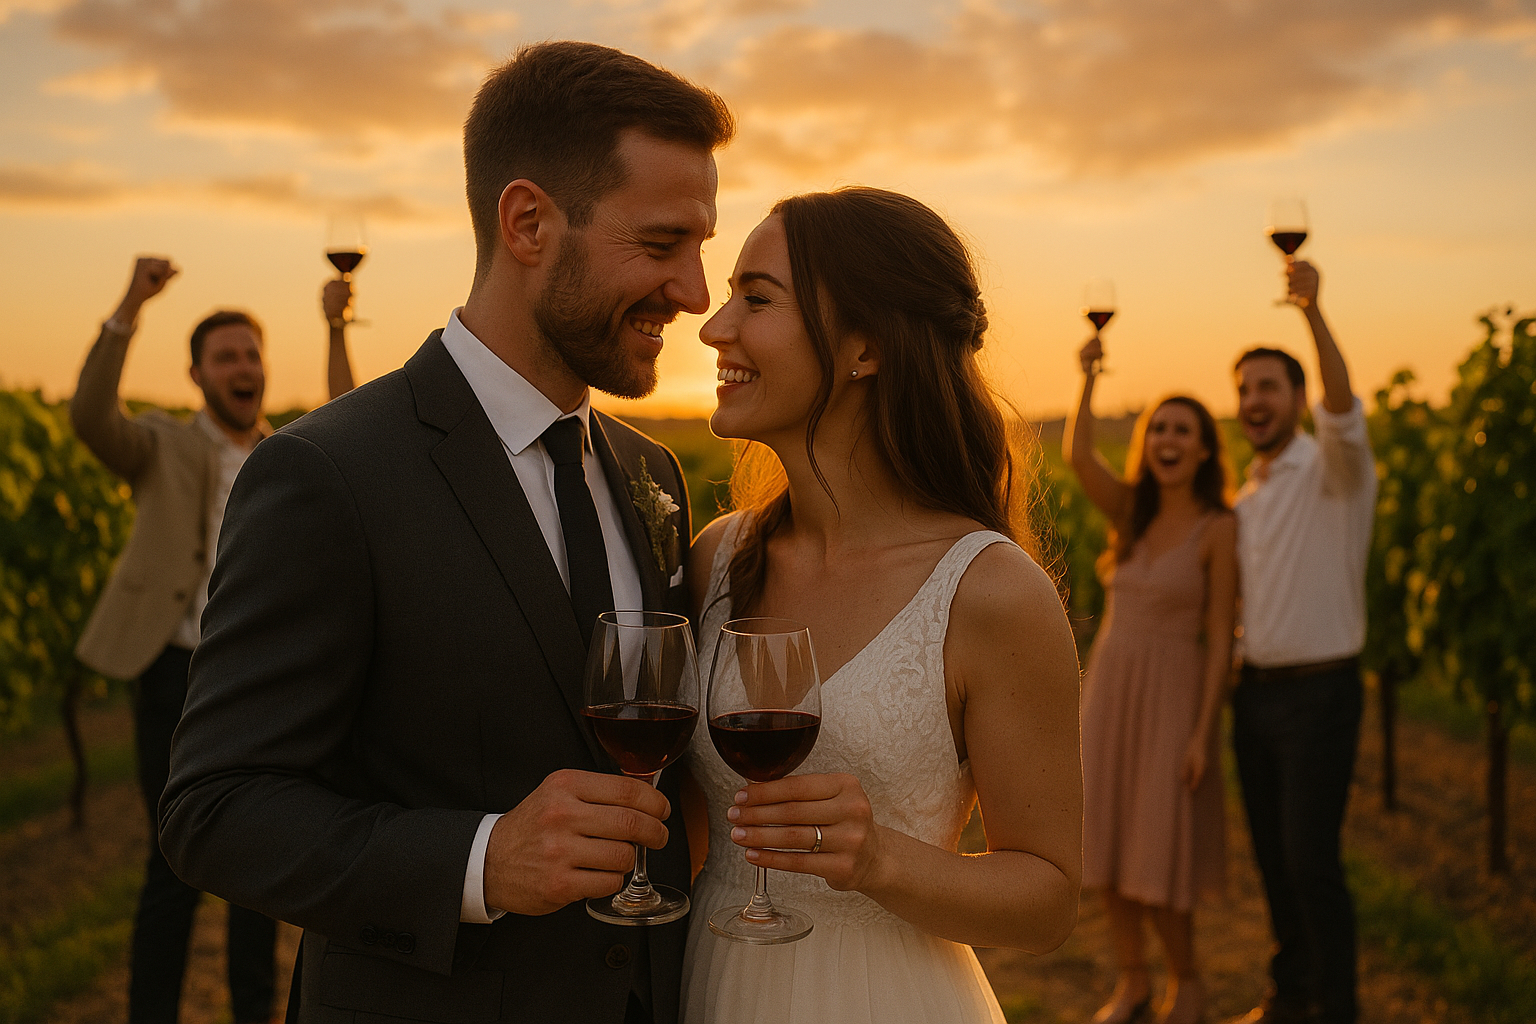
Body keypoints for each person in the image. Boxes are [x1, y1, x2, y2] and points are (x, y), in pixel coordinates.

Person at [158, 42, 733, 1024]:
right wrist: (481, 859)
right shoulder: (328, 473)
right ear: (528, 222)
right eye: (661, 242)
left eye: (702, 246)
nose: (695, 290)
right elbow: (215, 809)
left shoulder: (651, 472)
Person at [680, 187, 1083, 1024]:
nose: (715, 328)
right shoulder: (717, 558)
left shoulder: (990, 591)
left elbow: (1046, 900)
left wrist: (881, 862)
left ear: (864, 347)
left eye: (757, 299)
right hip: (712, 985)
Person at [70, 257, 356, 1022]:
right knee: (171, 863)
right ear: (196, 374)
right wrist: (130, 304)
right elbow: (90, 417)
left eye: (251, 354)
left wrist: (335, 326)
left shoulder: (292, 455)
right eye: (225, 357)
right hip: (173, 673)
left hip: (264, 682)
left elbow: (357, 422)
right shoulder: (159, 444)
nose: (243, 368)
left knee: (259, 864)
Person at [1063, 336, 1237, 1024]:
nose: (1168, 439)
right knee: (1107, 843)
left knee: (1159, 851)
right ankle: (1132, 981)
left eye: (1183, 431)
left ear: (1204, 450)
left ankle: (1187, 984)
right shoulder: (1130, 511)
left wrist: (1202, 734)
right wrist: (1088, 376)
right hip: (1112, 692)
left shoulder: (1218, 528)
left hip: (1172, 700)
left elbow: (1220, 638)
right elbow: (1079, 456)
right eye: (1159, 428)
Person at [1223, 261, 1374, 1024]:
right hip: (1254, 697)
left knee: (1312, 861)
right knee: (1276, 863)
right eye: (1244, 389)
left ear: (1297, 397)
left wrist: (1312, 312)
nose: (1254, 401)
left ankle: (1338, 1008)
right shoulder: (1245, 498)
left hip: (1321, 695)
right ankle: (1292, 994)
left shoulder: (1335, 472)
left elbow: (1343, 411)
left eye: (1268, 387)